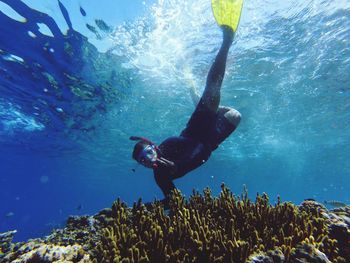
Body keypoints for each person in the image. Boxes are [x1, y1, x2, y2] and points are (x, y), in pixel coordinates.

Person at [130, 0, 244, 209]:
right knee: (235, 116)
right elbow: (175, 200)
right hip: (211, 141)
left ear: (153, 147)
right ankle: (207, 105)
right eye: (142, 162)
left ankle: (226, 40)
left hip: (198, 128)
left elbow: (195, 148)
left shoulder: (168, 145)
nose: (147, 160)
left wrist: (177, 165)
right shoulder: (160, 176)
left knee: (212, 90)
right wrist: (146, 208)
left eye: (147, 153)